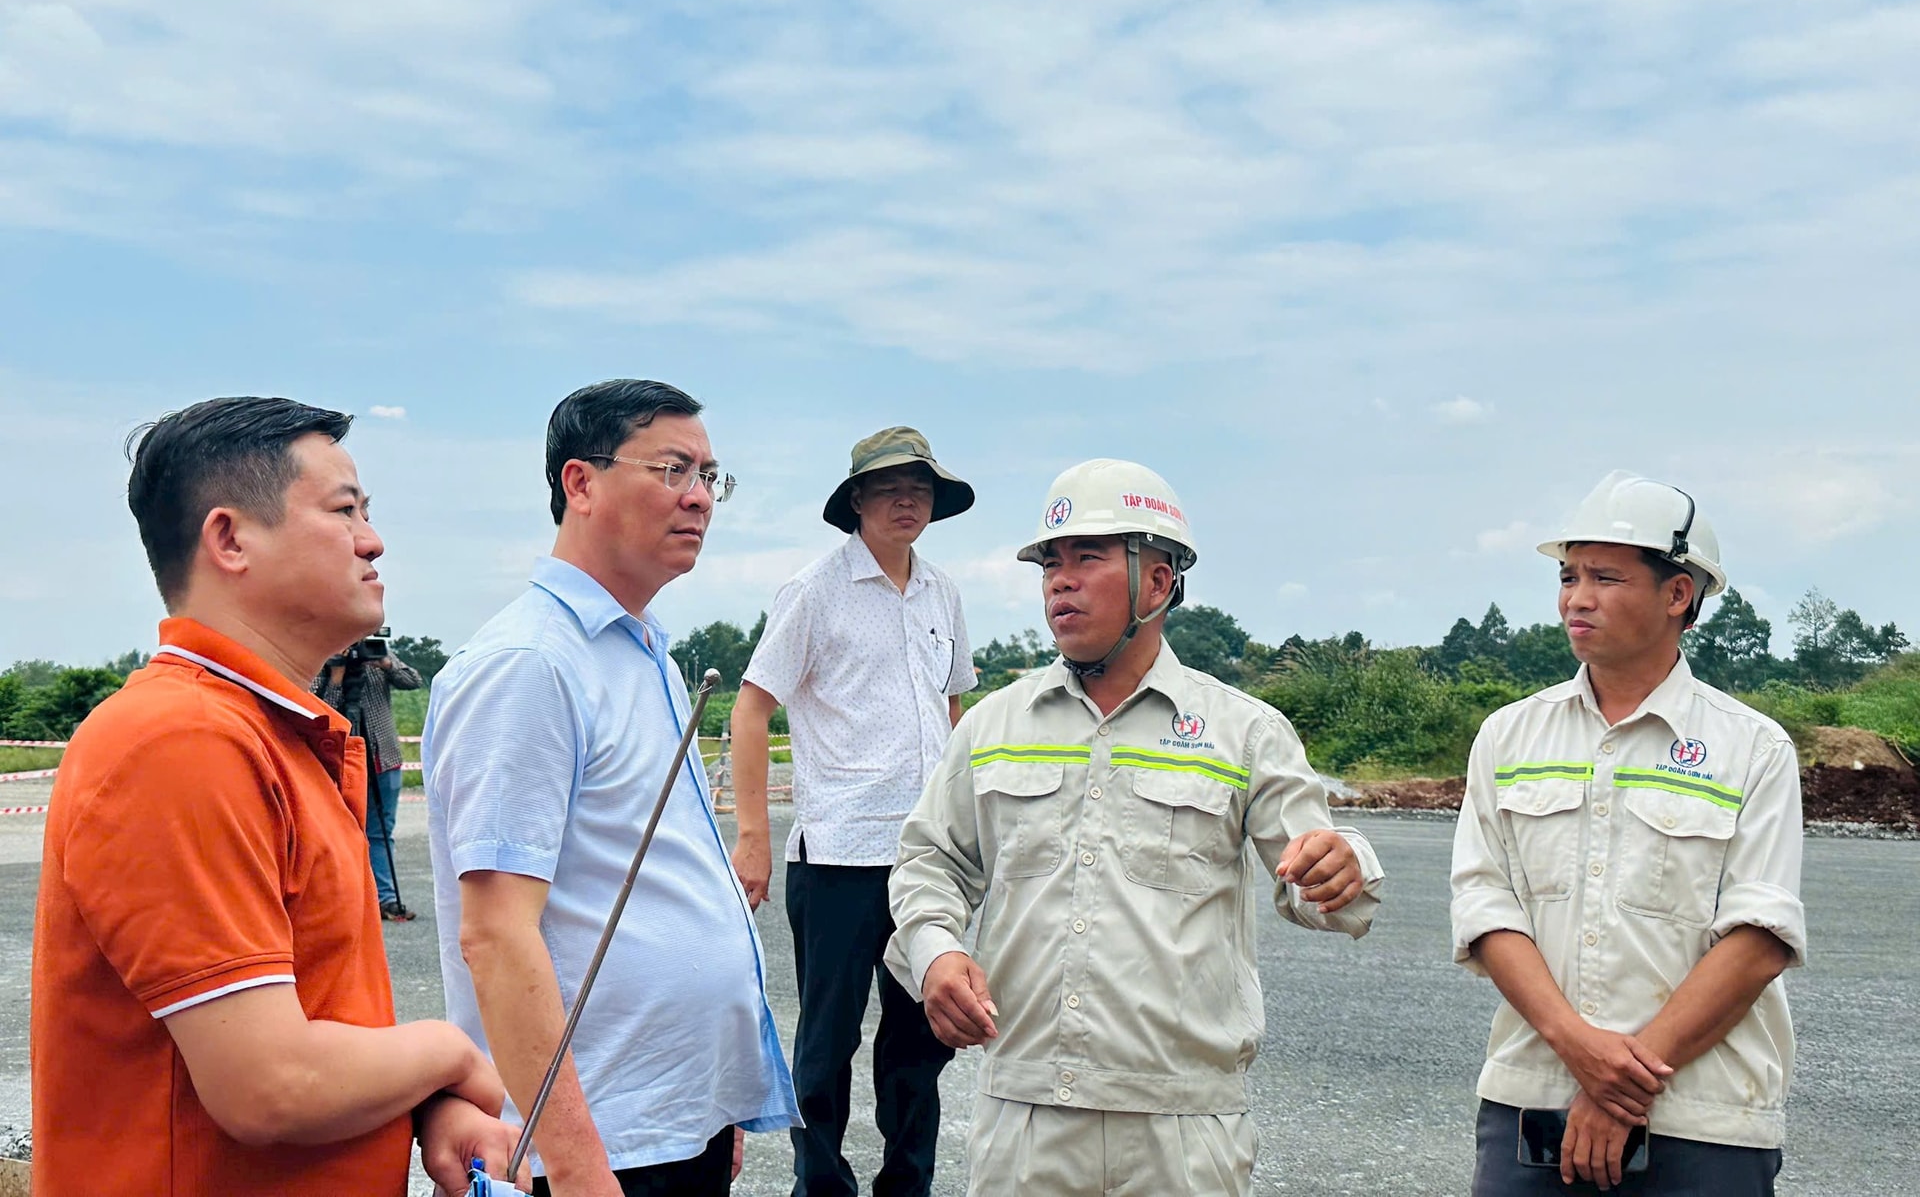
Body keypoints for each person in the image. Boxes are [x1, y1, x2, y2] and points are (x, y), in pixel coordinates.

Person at [30, 396, 521, 1197]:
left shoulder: (271, 736)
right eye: (345, 509)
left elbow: (311, 1028)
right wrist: (450, 1054)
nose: (374, 538)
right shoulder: (181, 741)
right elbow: (270, 1084)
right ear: (229, 539)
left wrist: (424, 1104)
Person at [887, 459, 1383, 1197]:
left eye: (1087, 557)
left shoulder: (1241, 732)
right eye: (1050, 563)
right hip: (1025, 1114)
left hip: (1181, 1125)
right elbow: (931, 861)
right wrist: (934, 955)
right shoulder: (994, 726)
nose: (1060, 579)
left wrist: (1341, 872)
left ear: (1159, 582)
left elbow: (1313, 878)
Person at [424, 378, 799, 1197]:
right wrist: (582, 1170)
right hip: (600, 1149)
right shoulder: (531, 665)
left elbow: (660, 876)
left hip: (667, 1123)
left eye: (711, 476)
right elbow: (495, 935)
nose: (701, 497)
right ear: (581, 483)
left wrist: (709, 1107)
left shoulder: (643, 656)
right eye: (673, 470)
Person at [1450, 472, 1803, 1194]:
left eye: (1606, 577)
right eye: (1569, 575)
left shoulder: (1753, 748)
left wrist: (1622, 1085)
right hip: (1533, 1098)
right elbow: (1486, 907)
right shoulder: (1509, 737)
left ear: (1679, 595)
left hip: (1703, 1120)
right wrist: (1577, 1048)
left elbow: (1759, 936)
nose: (1577, 598)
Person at [731, 426, 977, 1197]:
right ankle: (822, 1185)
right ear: (857, 500)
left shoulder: (943, 593)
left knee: (920, 1041)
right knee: (826, 1041)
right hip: (838, 852)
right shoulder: (815, 590)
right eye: (890, 487)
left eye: (921, 488)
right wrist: (754, 840)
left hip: (928, 859)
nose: (907, 500)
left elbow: (954, 706)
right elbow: (751, 706)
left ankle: (907, 1183)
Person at [318, 640, 425, 919]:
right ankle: (347, 897)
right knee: (341, 832)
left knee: (381, 832)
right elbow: (323, 711)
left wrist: (385, 662)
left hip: (383, 758)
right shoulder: (324, 658)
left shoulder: (375, 655)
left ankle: (386, 899)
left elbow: (413, 680)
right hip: (341, 761)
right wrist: (336, 676)